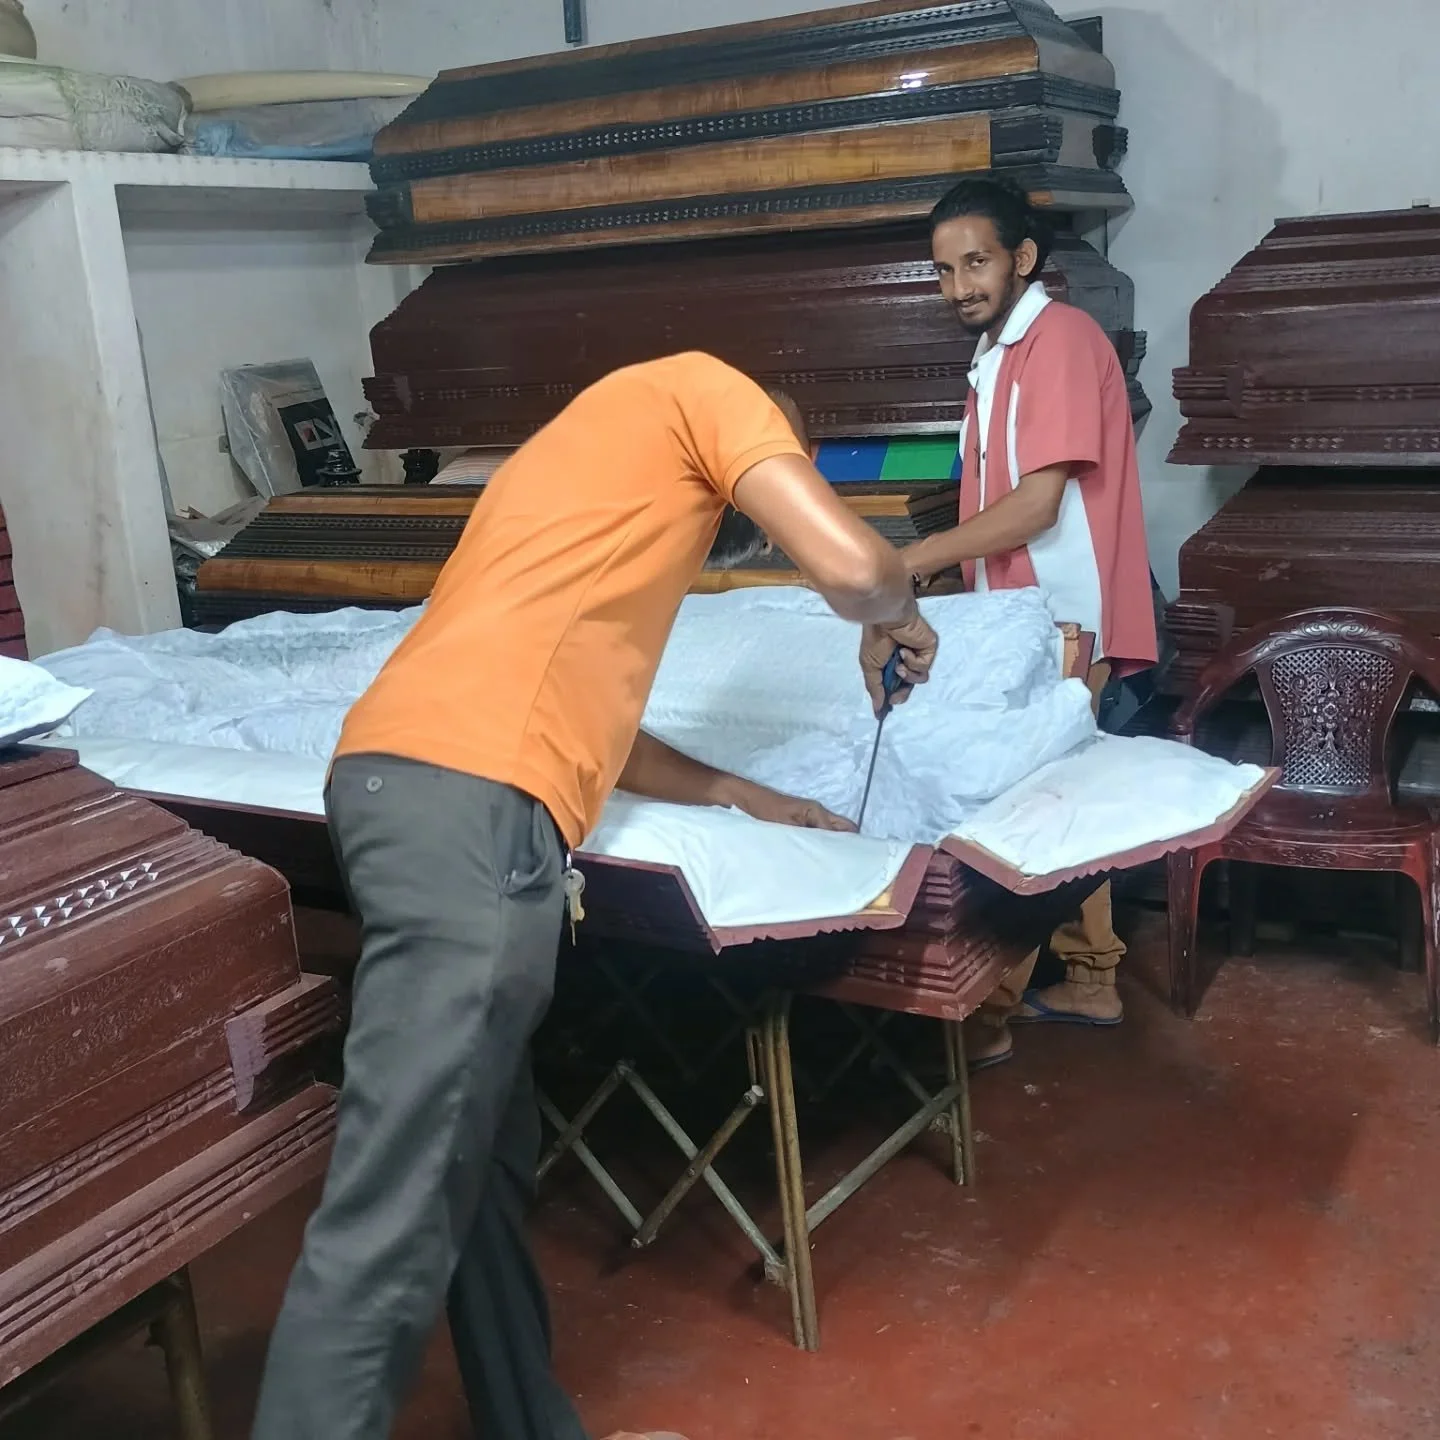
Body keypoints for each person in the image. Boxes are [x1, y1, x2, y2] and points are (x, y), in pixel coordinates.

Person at [249, 351, 939, 1440]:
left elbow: (592, 726)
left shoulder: (581, 461)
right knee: (393, 1210)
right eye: (785, 466)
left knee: (475, 1168)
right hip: (471, 810)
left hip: (399, 786)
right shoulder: (711, 391)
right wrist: (895, 612)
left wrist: (742, 793)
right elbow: (856, 569)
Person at [900, 175, 1158, 1070]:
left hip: (1063, 619)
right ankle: (1091, 973)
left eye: (975, 263)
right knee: (1063, 791)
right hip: (1021, 615)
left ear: (1023, 258)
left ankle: (987, 1010)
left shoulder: (1058, 340)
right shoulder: (999, 351)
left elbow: (1036, 508)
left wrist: (911, 561)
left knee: (1024, 803)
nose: (959, 286)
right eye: (944, 270)